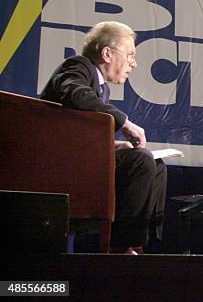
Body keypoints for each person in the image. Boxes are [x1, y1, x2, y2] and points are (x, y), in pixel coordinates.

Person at [41, 21, 167, 255]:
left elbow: (76, 129)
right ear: (107, 53)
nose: (134, 63)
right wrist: (125, 123)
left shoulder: (102, 88)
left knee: (156, 165)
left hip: (78, 163)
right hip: (57, 171)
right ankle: (121, 247)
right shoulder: (78, 66)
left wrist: (113, 145)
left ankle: (139, 242)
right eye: (130, 55)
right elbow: (75, 95)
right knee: (140, 160)